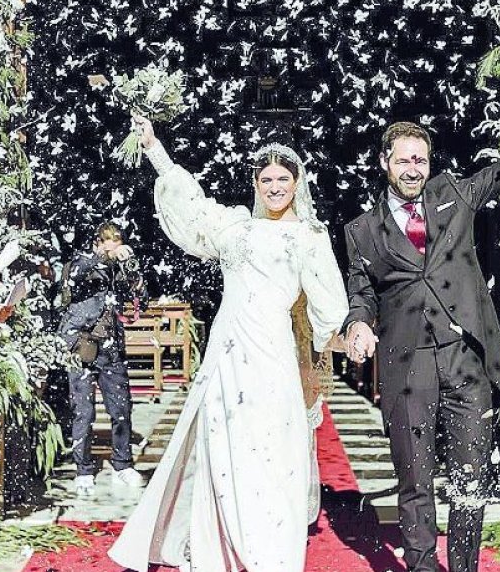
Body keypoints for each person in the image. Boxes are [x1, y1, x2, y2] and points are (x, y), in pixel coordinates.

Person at [341, 70, 500, 572]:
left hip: (466, 362)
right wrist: (358, 324)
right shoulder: (361, 231)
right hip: (407, 367)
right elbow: (361, 294)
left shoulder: (454, 195)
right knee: (415, 481)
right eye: (403, 160)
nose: (412, 169)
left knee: (470, 482)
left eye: (420, 160)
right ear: (384, 162)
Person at [108, 119, 349, 572]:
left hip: (273, 356)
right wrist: (155, 148)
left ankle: (269, 556)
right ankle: (218, 550)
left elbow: (330, 306)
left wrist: (343, 338)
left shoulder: (309, 237)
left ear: (296, 183)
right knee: (223, 448)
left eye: (283, 179)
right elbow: (192, 208)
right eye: (266, 179)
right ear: (256, 184)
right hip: (227, 355)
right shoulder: (236, 226)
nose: (275, 187)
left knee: (272, 452)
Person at [58, 222, 144, 492]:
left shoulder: (120, 268)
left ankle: (123, 464)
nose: (113, 247)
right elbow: (74, 277)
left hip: (111, 347)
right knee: (83, 412)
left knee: (121, 409)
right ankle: (83, 470)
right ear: (97, 242)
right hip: (80, 345)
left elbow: (140, 297)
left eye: (117, 241)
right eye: (107, 241)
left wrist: (132, 271)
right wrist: (104, 258)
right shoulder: (81, 261)